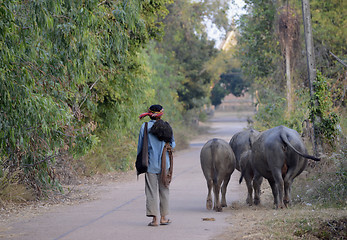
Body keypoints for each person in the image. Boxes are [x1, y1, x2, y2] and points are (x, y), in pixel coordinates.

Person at [137, 105, 175, 227]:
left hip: (150, 164)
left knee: (151, 191)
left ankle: (154, 220)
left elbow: (140, 147)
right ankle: (164, 218)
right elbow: (172, 145)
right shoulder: (167, 126)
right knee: (164, 190)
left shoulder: (145, 127)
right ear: (161, 114)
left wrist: (139, 162)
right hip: (165, 165)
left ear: (149, 114)